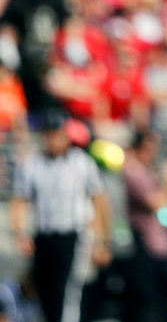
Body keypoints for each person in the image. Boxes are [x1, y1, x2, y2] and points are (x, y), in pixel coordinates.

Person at [9, 108, 112, 322]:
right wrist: (20, 233)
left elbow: (99, 200)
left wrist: (103, 240)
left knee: (67, 290)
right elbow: (19, 200)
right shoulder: (32, 164)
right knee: (43, 290)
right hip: (44, 235)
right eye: (48, 134)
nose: (53, 141)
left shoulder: (81, 163)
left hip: (73, 235)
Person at [121, 127, 167, 322]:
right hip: (145, 244)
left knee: (163, 298)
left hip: (159, 244)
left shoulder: (146, 172)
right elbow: (161, 205)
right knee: (147, 301)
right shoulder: (134, 173)